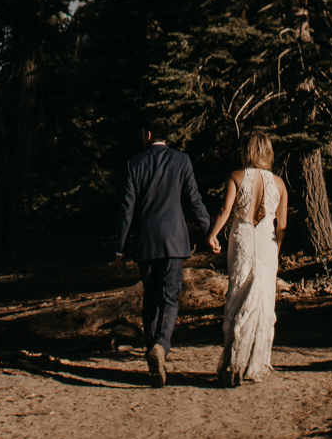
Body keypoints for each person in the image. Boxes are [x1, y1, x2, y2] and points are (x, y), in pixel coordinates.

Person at [113, 120, 211, 388]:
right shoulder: (181, 160)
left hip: (145, 242)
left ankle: (151, 347)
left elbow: (127, 209)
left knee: (151, 296)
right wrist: (208, 230)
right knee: (169, 296)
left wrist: (121, 248)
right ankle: (161, 345)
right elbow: (194, 199)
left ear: (147, 135)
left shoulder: (135, 164)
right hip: (174, 240)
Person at [205, 130, 288, 388]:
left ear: (247, 151)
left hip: (241, 239)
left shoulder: (236, 177)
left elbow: (225, 210)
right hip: (266, 242)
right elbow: (282, 224)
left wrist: (212, 235)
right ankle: (254, 362)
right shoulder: (280, 184)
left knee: (238, 294)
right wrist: (275, 251)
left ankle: (233, 363)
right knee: (262, 301)